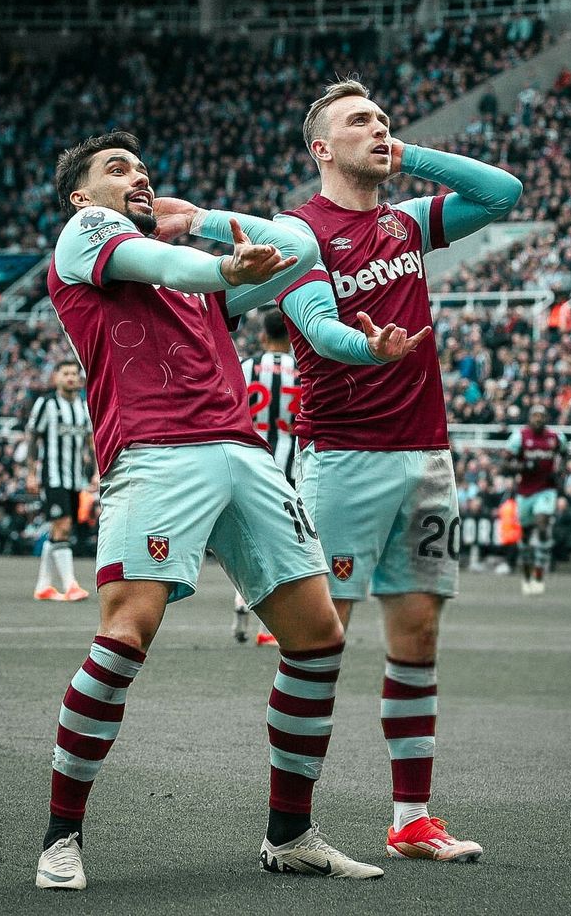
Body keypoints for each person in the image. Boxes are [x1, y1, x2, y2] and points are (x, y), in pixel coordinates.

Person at [35, 130, 410, 890]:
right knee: (125, 634)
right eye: (118, 169)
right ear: (82, 195)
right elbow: (163, 263)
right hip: (155, 448)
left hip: (242, 450)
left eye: (143, 168)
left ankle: (290, 833)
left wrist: (199, 214)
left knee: (315, 636)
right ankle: (60, 834)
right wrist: (216, 262)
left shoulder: (190, 267)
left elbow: (300, 253)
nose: (136, 176)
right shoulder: (86, 235)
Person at [271, 79, 523, 862]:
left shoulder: (405, 222)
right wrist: (362, 344)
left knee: (416, 635)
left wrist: (404, 153)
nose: (377, 127)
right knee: (320, 642)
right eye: (359, 122)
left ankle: (411, 818)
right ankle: (291, 831)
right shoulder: (295, 229)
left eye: (383, 118)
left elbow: (502, 192)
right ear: (321, 149)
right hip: (343, 457)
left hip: (426, 454)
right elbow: (309, 319)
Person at [233, 307, 299, 647]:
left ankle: (242, 601)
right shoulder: (302, 371)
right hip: (288, 466)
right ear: (291, 336)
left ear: (262, 336)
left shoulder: (245, 368)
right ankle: (273, 622)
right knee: (280, 540)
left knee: (249, 535)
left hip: (250, 460)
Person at [26, 360, 95, 601]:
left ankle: (43, 585)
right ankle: (71, 584)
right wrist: (31, 473)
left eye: (74, 374)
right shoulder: (46, 404)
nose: (70, 377)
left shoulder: (83, 406)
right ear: (56, 377)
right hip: (52, 476)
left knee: (60, 528)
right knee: (63, 525)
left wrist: (95, 472)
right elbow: (33, 437)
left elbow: (90, 442)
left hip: (75, 478)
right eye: (65, 373)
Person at [506, 405, 567, 595]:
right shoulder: (519, 437)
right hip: (525, 492)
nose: (538, 419)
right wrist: (522, 466)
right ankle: (526, 575)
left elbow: (565, 454)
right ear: (529, 418)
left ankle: (539, 575)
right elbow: (505, 463)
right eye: (535, 416)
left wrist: (560, 471)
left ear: (547, 418)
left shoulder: (556, 438)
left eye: (542, 416)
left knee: (542, 526)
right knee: (525, 534)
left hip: (546, 489)